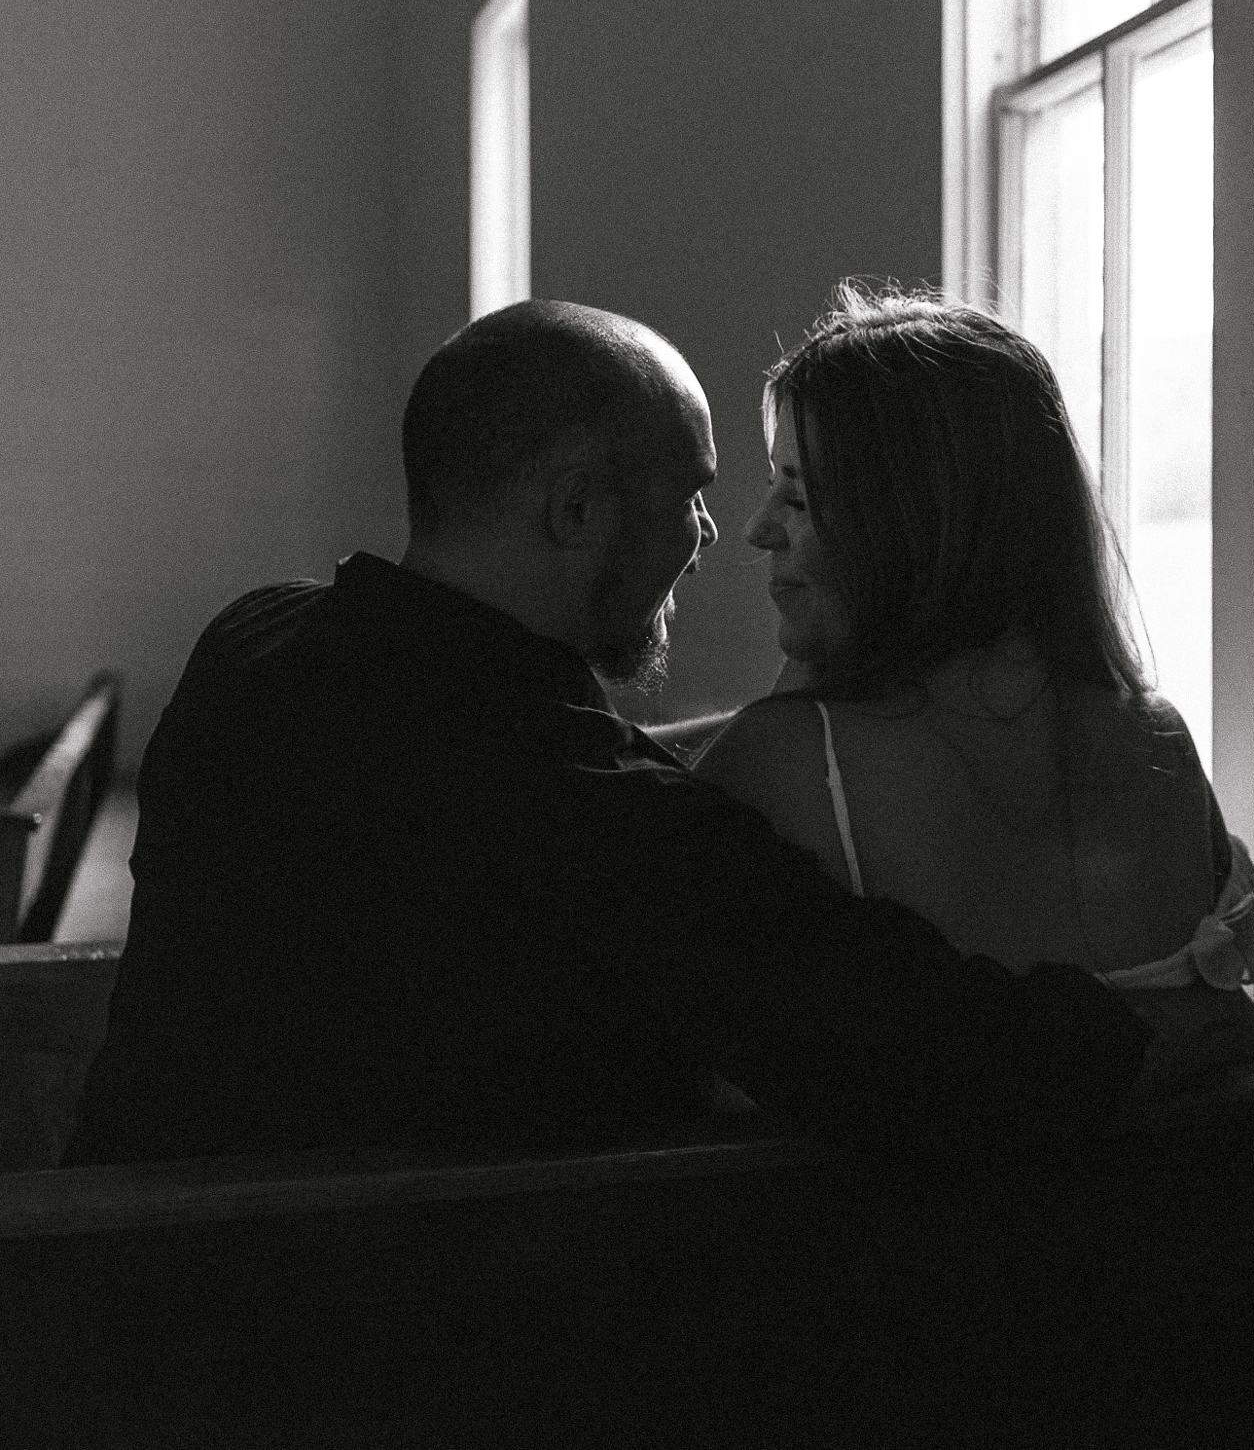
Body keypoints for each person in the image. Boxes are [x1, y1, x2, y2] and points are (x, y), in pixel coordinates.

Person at [64, 299, 1149, 1167]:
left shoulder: (249, 645)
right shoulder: (605, 832)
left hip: (106, 1293)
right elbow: (944, 1057)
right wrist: (1174, 1019)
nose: (717, 533)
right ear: (577, 510)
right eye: (691, 494)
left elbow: (469, 753)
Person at [686, 286, 1254, 1099]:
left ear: (907, 518)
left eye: (798, 492)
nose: (757, 528)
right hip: (1180, 1224)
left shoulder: (791, 761)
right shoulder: (1158, 740)